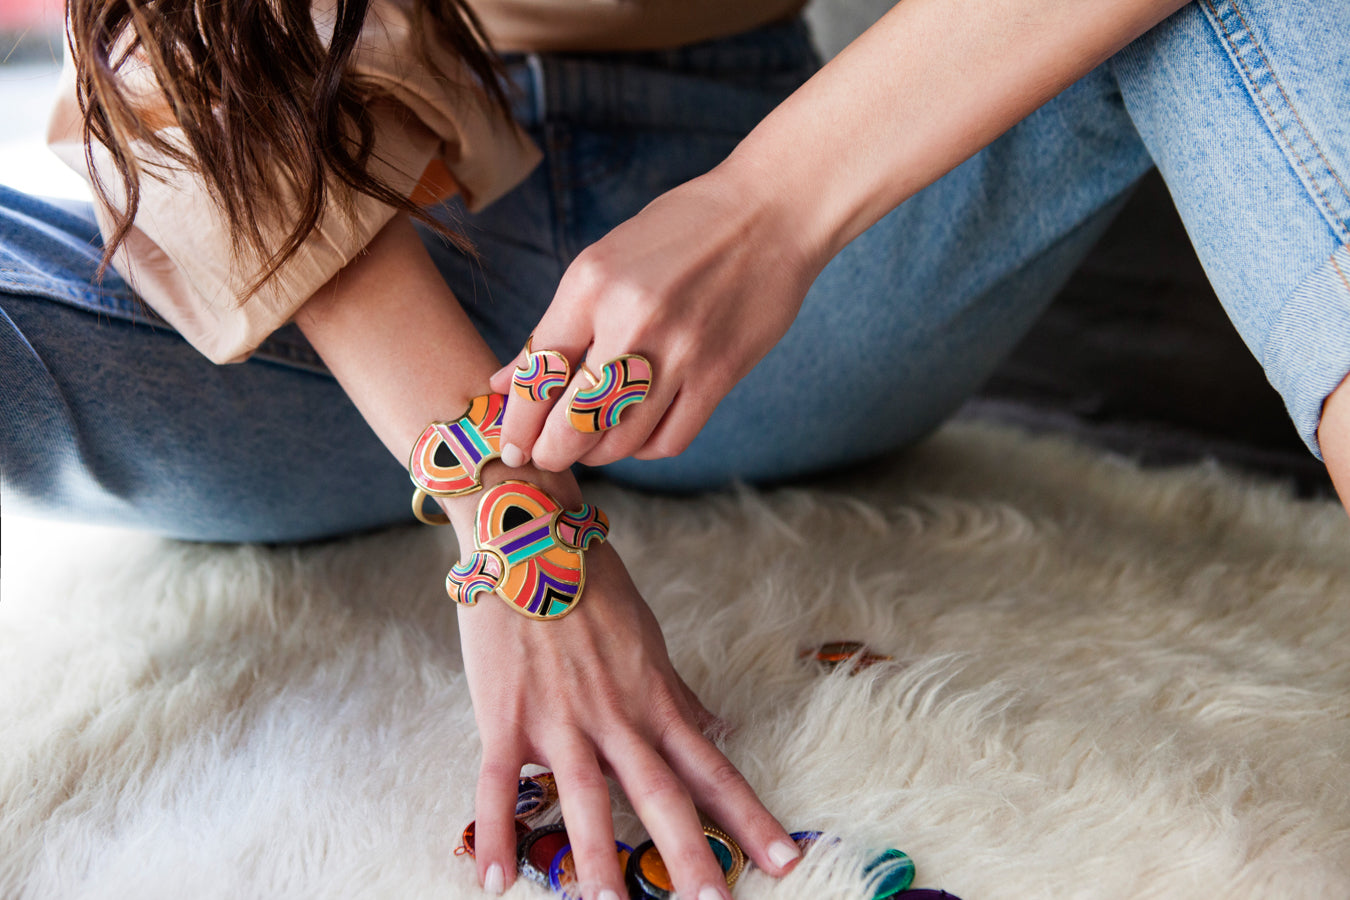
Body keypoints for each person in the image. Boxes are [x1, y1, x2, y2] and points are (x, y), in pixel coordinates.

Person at [3, 0, 1347, 897]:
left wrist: (765, 209)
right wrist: (510, 521)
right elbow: (190, 50)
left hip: (779, 279)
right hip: (319, 281)